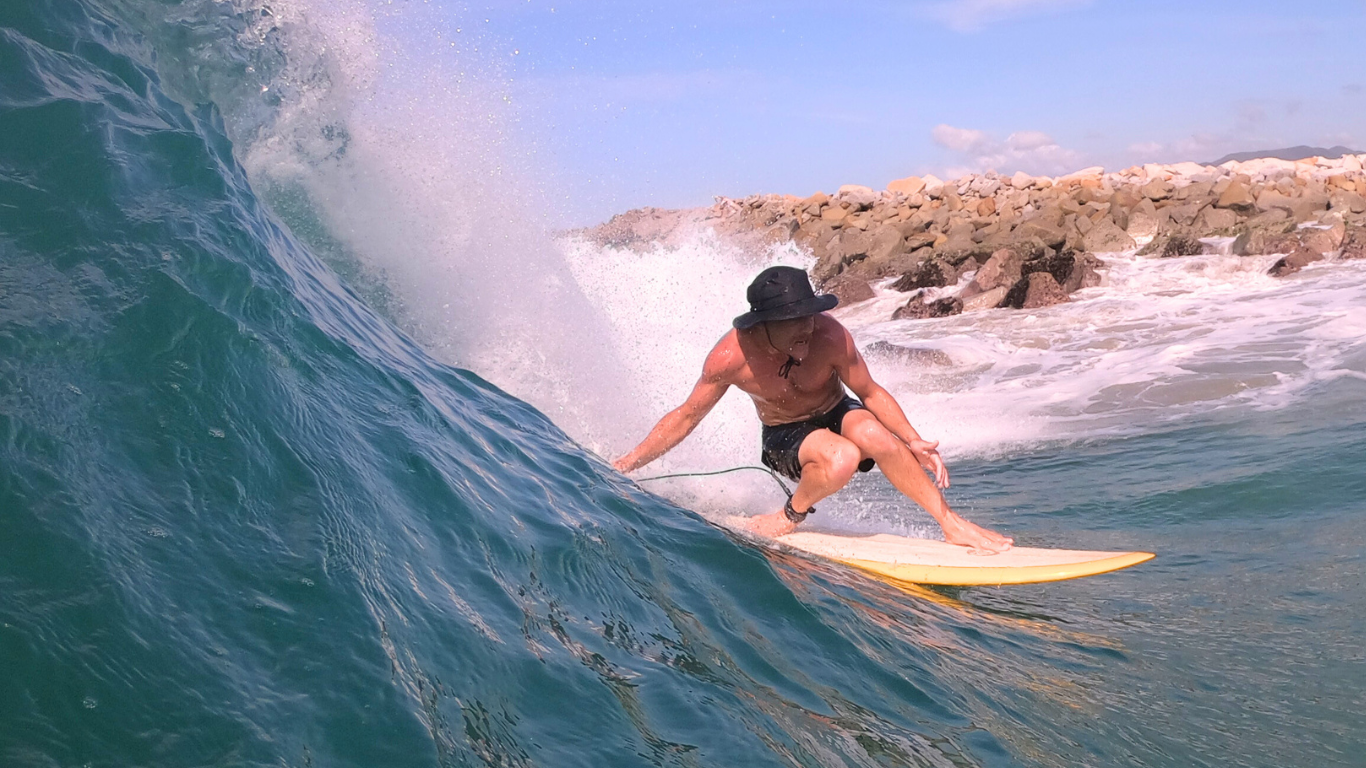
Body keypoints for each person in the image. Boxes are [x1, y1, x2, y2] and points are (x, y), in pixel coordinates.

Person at [612, 266, 1013, 552]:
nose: (808, 326)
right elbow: (686, 416)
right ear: (764, 322)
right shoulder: (730, 358)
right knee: (841, 458)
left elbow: (870, 392)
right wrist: (629, 462)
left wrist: (914, 440)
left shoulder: (830, 335)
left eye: (810, 314)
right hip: (785, 436)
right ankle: (789, 515)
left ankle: (950, 524)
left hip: (837, 409)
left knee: (876, 435)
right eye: (793, 319)